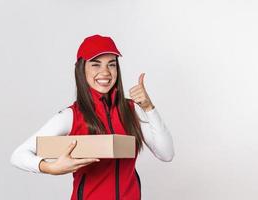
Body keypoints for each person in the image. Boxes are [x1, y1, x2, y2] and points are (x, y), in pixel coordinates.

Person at [10, 34, 175, 200]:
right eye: (96, 65)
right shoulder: (71, 115)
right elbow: (18, 155)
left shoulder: (131, 109)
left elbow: (166, 154)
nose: (105, 72)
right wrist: (50, 167)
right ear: (82, 69)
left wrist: (148, 108)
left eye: (112, 64)